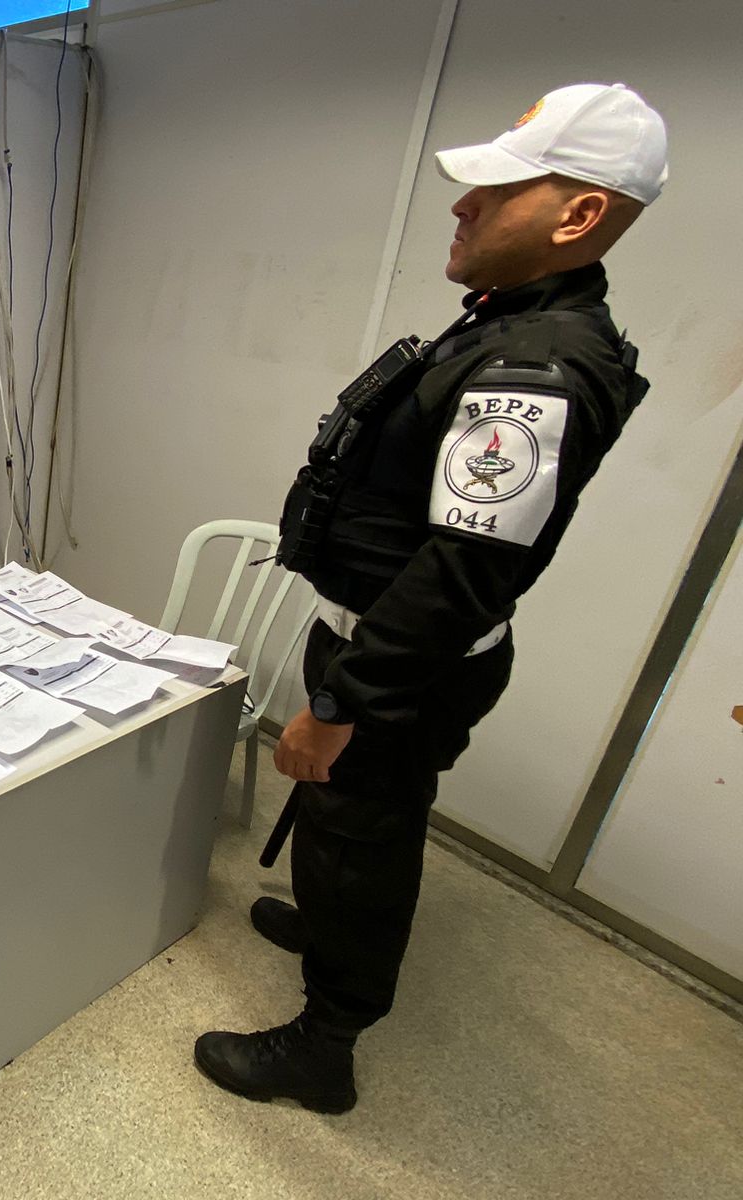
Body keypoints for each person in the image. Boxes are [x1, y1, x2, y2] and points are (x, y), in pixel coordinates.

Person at [194, 82, 668, 1113]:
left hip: (398, 667)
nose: (461, 206)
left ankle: (325, 1046)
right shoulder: (504, 325)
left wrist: (339, 702)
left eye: (495, 189)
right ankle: (326, 926)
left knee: (364, 838)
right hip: (377, 648)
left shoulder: (536, 367)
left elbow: (465, 570)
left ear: (576, 215)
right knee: (343, 824)